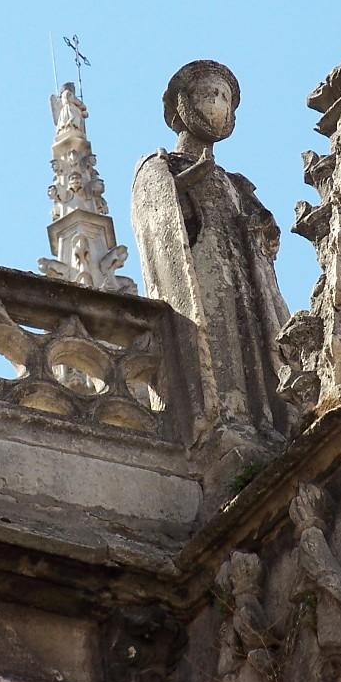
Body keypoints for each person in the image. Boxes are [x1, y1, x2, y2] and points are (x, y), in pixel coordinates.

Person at [132, 61, 292, 442]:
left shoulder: (236, 182)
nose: (217, 103)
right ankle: (225, 420)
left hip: (243, 278)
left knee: (253, 348)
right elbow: (155, 217)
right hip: (200, 272)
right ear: (184, 104)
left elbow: (267, 239)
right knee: (218, 348)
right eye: (209, 94)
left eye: (224, 97)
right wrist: (185, 185)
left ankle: (265, 421)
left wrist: (262, 230)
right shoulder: (160, 165)